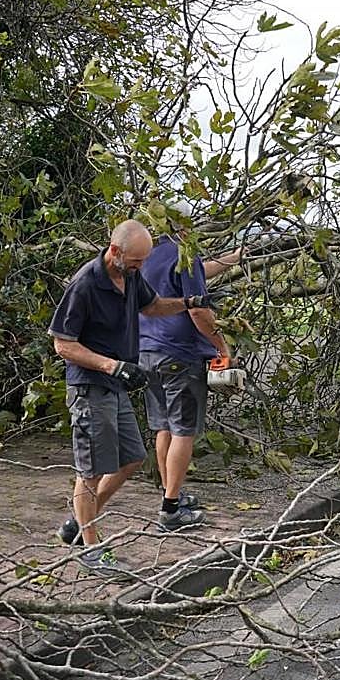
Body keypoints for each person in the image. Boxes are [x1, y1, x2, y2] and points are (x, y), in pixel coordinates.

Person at [48, 219, 216, 576]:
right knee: (91, 470)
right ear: (115, 250)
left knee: (132, 459)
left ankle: (79, 522)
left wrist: (189, 302)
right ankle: (91, 548)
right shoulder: (86, 284)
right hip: (90, 386)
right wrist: (111, 366)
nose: (142, 267)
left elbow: (152, 306)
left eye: (144, 261)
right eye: (137, 261)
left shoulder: (131, 276)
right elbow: (63, 345)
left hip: (115, 385)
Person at [139, 202, 241, 531]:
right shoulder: (186, 254)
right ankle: (171, 510)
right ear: (185, 225)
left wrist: (233, 258)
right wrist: (222, 347)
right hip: (179, 355)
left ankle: (171, 494)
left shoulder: (149, 255)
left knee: (163, 428)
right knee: (183, 431)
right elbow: (198, 311)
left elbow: (195, 271)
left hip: (146, 352)